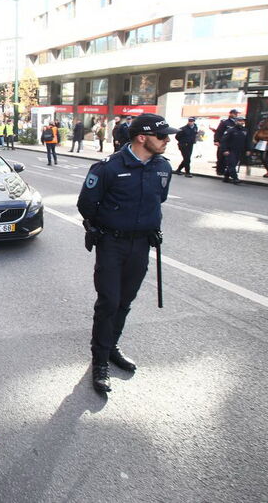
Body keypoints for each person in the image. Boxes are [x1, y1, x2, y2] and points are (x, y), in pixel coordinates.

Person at [77, 113, 177, 394]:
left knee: (125, 301)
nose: (167, 140)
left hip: (141, 244)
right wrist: (104, 227)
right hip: (112, 243)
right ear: (142, 138)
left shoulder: (163, 167)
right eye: (162, 136)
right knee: (108, 302)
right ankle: (100, 362)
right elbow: (87, 204)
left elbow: (160, 200)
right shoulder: (108, 168)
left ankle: (111, 347)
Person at [220, 116, 248, 184]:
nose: (241, 122)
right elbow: (224, 141)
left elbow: (247, 141)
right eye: (240, 121)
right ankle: (235, 178)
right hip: (230, 150)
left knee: (233, 165)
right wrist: (224, 150)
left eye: (242, 121)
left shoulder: (245, 130)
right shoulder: (231, 130)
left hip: (239, 150)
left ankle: (226, 176)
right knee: (232, 164)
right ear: (236, 122)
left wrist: (248, 149)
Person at [213, 109, 239, 176]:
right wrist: (216, 140)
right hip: (223, 142)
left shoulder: (237, 122)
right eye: (234, 113)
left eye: (236, 113)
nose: (236, 114)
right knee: (221, 157)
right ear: (230, 114)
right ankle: (220, 171)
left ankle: (228, 171)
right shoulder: (225, 122)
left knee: (230, 158)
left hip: (232, 143)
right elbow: (218, 132)